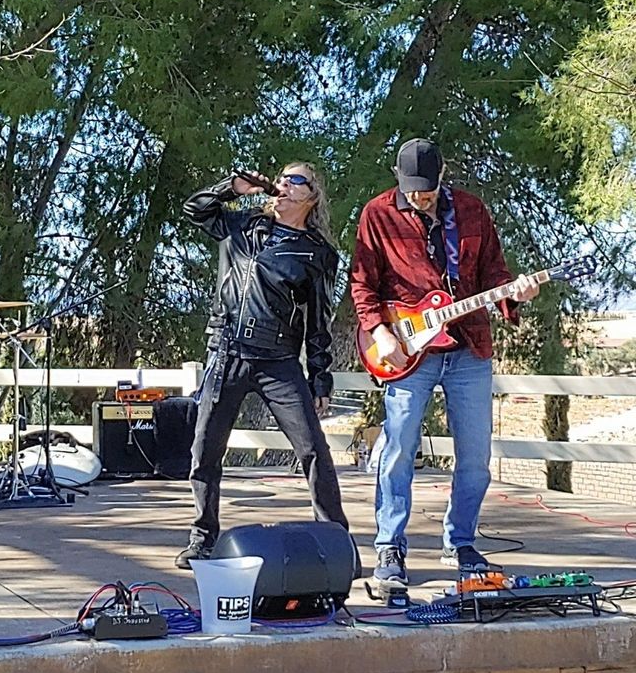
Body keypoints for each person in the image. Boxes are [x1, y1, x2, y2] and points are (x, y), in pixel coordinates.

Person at [350, 138, 540, 586]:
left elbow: (494, 272)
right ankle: (389, 547)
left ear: (441, 176)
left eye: (429, 187)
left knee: (475, 456)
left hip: (469, 346)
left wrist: (515, 293)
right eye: (414, 188)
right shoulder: (377, 214)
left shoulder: (472, 210)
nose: (422, 196)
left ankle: (461, 542)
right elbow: (362, 283)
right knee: (397, 452)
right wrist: (379, 331)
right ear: (398, 179)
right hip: (407, 348)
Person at [176, 163, 349, 570]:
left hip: (279, 359)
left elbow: (318, 322)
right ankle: (203, 538)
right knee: (205, 448)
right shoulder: (244, 225)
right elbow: (194, 210)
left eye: (295, 180)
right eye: (281, 179)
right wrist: (231, 187)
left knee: (312, 449)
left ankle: (337, 541)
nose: (283, 185)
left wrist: (319, 378)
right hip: (228, 352)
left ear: (312, 196)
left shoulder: (317, 253)